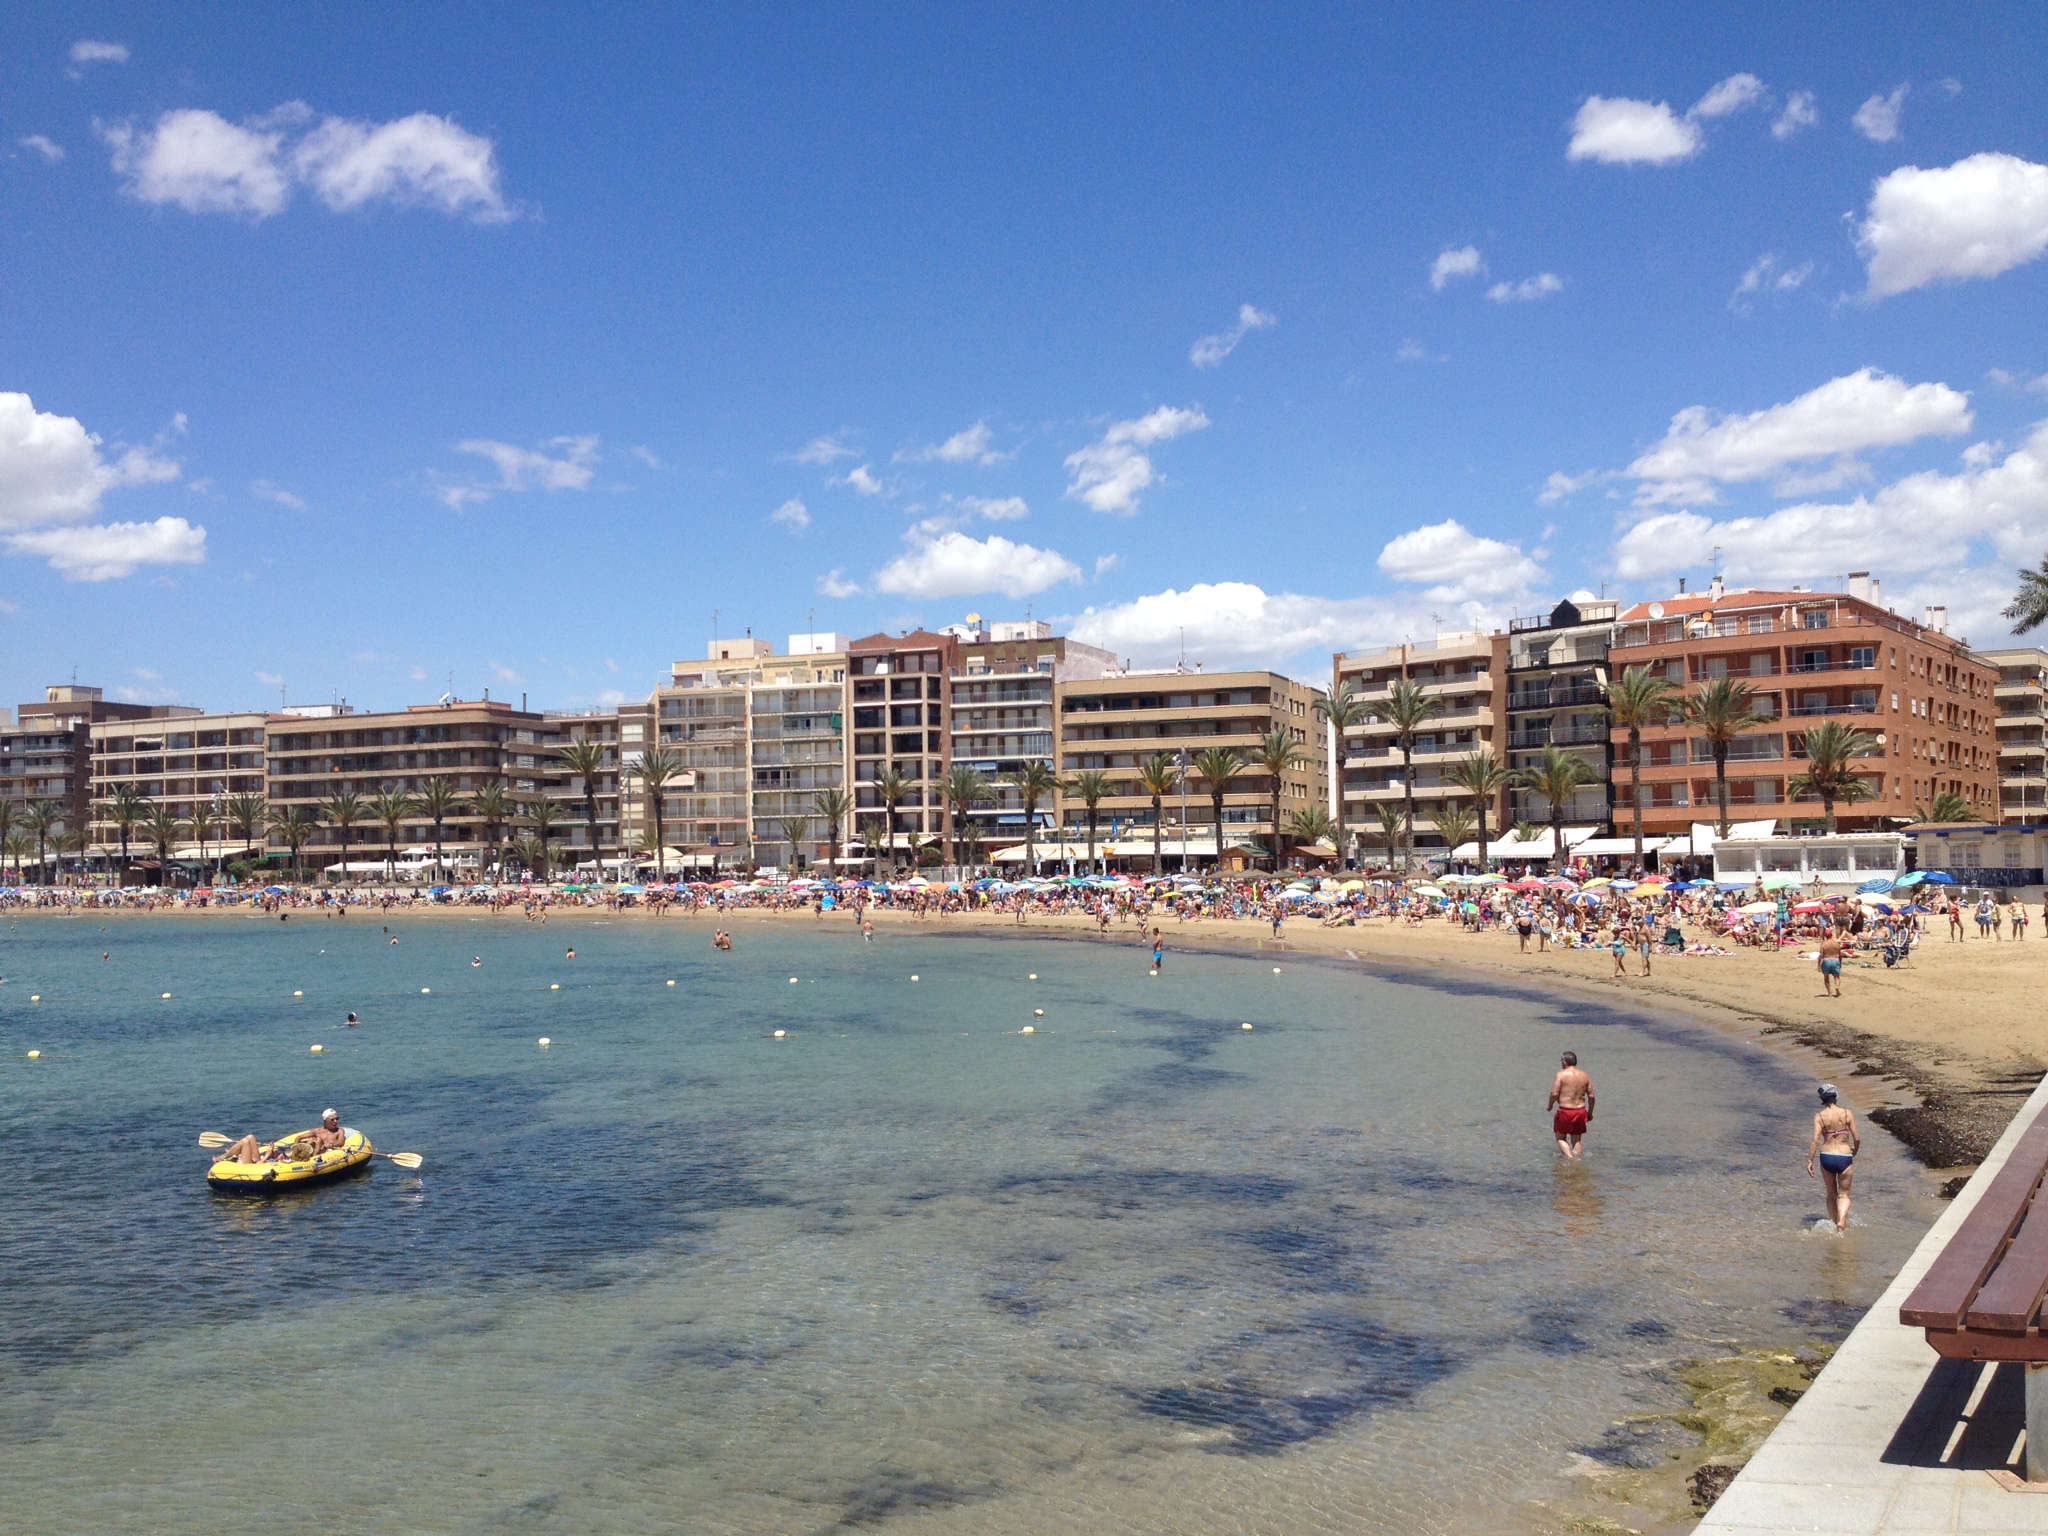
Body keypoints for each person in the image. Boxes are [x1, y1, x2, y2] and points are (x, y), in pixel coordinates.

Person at [1807, 1083, 1860, 1232]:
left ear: (1822, 1099)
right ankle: (1841, 1221)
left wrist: (1810, 1160)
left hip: (1827, 1156)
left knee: (1831, 1193)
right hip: (1844, 1155)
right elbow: (1857, 1138)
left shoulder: (1819, 1116)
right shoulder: (1847, 1113)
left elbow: (1815, 1140)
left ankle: (1834, 1222)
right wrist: (1854, 1151)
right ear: (1836, 1096)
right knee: (1844, 1194)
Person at [1548, 1051, 1594, 1159]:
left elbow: (1554, 1093)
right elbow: (1591, 1096)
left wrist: (1550, 1105)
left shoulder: (1561, 1074)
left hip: (1565, 1110)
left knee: (1560, 1138)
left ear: (1564, 1062)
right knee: (1577, 1140)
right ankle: (1577, 1160)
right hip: (1580, 1110)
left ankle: (1570, 1158)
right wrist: (1590, 1112)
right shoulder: (1585, 1075)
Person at [1818, 930, 1844, 998]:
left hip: (1826, 960)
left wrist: (1819, 965)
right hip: (1835, 960)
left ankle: (1829, 993)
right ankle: (1837, 986)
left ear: (1825, 936)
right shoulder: (1836, 943)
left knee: (1826, 977)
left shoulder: (1823, 944)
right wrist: (1840, 962)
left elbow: (1821, 955)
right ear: (1831, 935)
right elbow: (1840, 955)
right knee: (1837, 976)